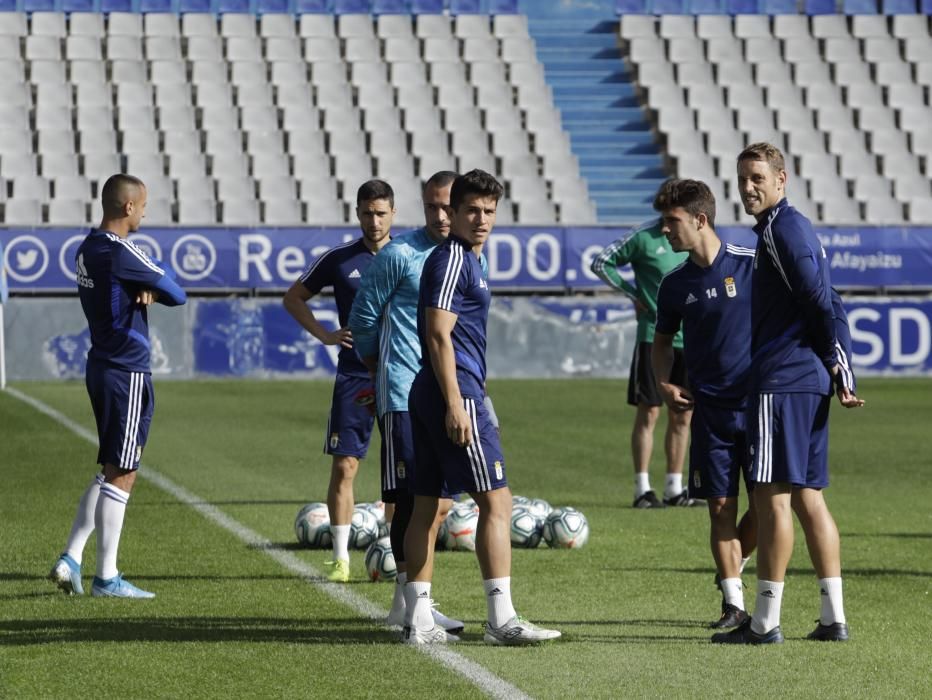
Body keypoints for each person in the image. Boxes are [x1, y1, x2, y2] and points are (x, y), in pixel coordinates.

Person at [713, 142, 864, 645]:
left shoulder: (781, 229)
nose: (748, 187)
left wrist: (837, 360)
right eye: (742, 179)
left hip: (783, 381)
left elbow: (820, 299)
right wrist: (839, 368)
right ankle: (832, 618)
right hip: (808, 380)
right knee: (807, 498)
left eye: (757, 177)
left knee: (770, 497)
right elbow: (829, 296)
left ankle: (764, 622)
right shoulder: (792, 229)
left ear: (782, 180)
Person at [401, 170, 561, 645]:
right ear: (451, 212)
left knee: (427, 506)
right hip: (452, 393)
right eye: (472, 209)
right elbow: (437, 332)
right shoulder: (453, 259)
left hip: (441, 391)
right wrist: (458, 402)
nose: (482, 219)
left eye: (490, 211)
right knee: (497, 500)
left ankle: (419, 621)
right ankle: (501, 620)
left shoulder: (469, 258)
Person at [49, 173, 187, 598]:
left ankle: (71, 557)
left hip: (102, 365)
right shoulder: (122, 251)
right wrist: (151, 287)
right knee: (123, 472)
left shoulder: (88, 247)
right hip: (126, 370)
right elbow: (177, 292)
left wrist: (142, 289)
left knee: (112, 467)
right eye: (144, 205)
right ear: (128, 207)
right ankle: (106, 577)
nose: (146, 212)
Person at [347, 171, 464, 634]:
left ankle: (408, 603)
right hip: (402, 394)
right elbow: (363, 317)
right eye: (431, 206)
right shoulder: (401, 254)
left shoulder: (466, 259)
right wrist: (382, 369)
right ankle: (412, 604)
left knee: (437, 505)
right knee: (410, 502)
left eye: (446, 207)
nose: (439, 215)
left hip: (448, 394)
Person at [650, 179, 758, 629]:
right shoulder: (674, 285)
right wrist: (662, 382)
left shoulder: (754, 266)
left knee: (773, 504)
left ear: (700, 220)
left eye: (672, 222)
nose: (665, 232)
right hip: (708, 412)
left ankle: (731, 564)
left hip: (759, 407)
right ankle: (733, 603)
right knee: (719, 508)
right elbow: (661, 343)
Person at [283, 179, 393, 583]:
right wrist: (326, 335)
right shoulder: (339, 259)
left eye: (381, 213)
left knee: (399, 470)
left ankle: (398, 551)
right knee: (346, 465)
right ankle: (341, 557)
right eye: (367, 212)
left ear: (393, 214)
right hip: (354, 375)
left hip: (399, 376)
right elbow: (293, 297)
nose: (374, 220)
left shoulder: (410, 256)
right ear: (358, 213)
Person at [591, 218, 697, 508]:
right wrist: (633, 294)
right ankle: (642, 490)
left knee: (683, 414)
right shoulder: (643, 237)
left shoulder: (693, 237)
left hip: (688, 338)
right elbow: (601, 263)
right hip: (653, 336)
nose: (667, 226)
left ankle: (674, 489)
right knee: (649, 411)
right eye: (665, 214)